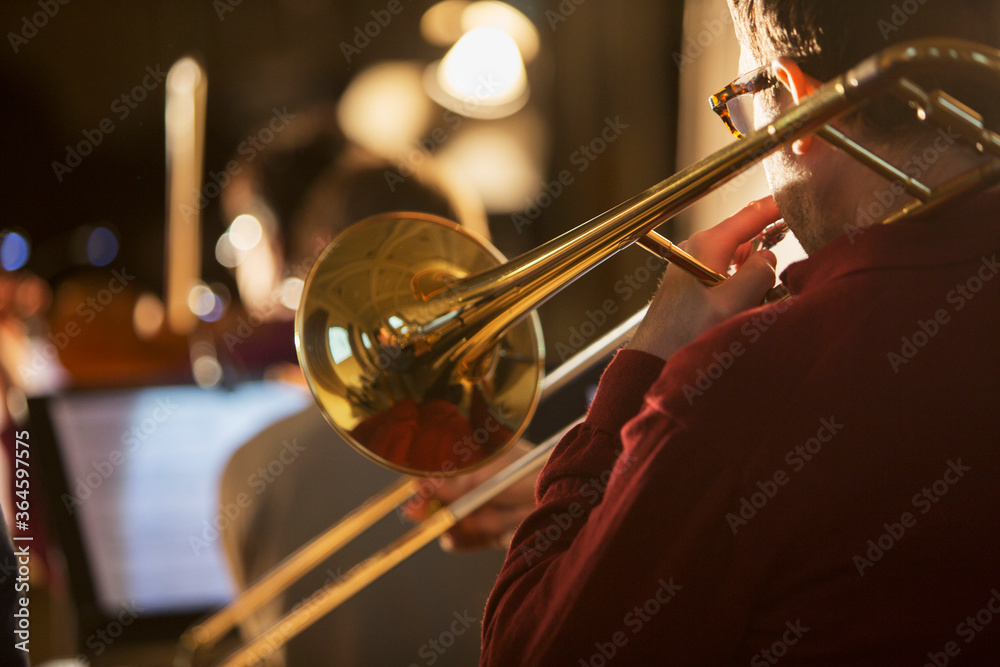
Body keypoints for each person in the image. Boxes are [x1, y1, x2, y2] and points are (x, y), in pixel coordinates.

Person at [480, 1, 1000, 664]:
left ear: (801, 101)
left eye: (750, 97)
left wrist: (652, 360)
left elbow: (526, 652)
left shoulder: (748, 382)